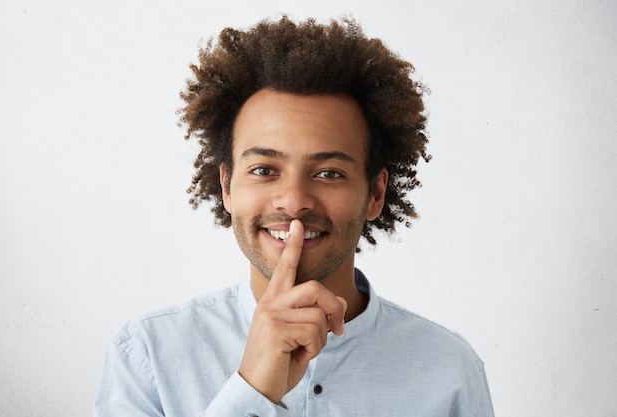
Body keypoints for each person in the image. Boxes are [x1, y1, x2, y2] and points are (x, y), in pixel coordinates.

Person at [94, 16, 494, 417]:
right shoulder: (147, 355)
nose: (294, 201)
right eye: (265, 169)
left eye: (328, 174)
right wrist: (251, 389)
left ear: (374, 193)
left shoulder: (449, 371)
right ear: (228, 186)